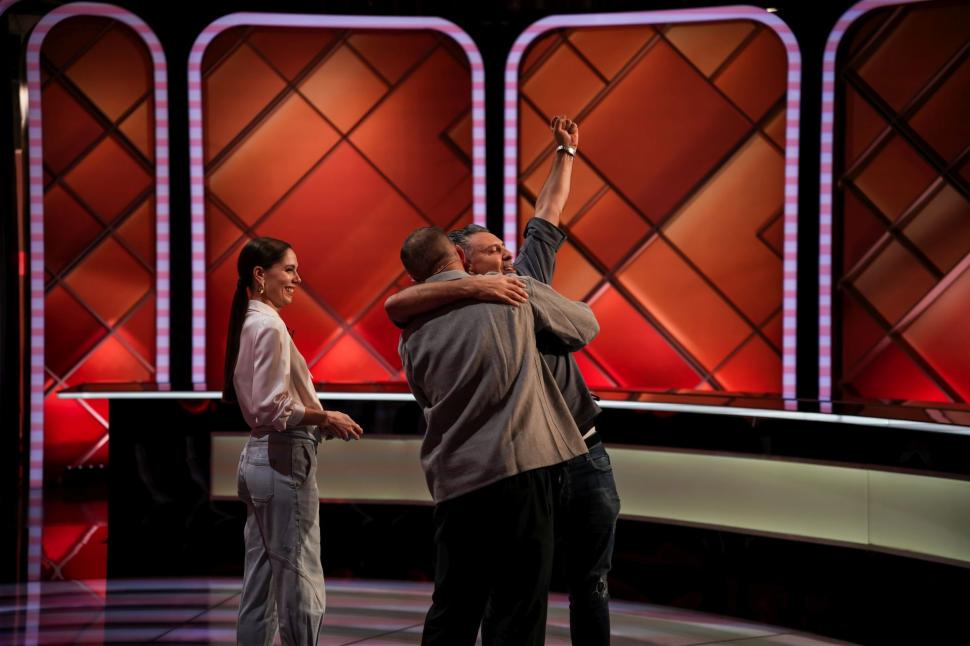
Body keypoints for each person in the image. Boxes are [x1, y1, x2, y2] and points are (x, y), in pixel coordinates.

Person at [387, 117, 621, 646]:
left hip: (579, 453)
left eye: (505, 248)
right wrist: (484, 291)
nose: (508, 256)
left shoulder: (521, 283)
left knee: (587, 582)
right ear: (463, 262)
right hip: (523, 463)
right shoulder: (497, 298)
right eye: (493, 251)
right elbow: (399, 302)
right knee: (516, 592)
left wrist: (565, 154)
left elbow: (547, 213)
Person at [397, 226, 599, 646]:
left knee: (453, 608)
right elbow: (585, 326)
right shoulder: (512, 291)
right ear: (459, 255)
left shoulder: (410, 330)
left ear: (415, 276)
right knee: (518, 609)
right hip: (519, 469)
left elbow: (424, 396)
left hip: (454, 481)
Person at [222, 236, 364, 646]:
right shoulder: (269, 326)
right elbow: (274, 407)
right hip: (282, 459)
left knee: (260, 584)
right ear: (259, 275)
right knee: (300, 576)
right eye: (289, 269)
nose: (297, 279)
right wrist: (325, 416)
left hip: (260, 459)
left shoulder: (252, 321)